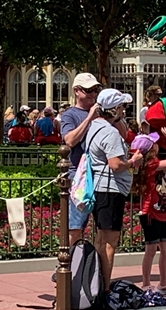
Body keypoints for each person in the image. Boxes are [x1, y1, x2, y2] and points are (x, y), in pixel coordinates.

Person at [88, 88, 143, 297]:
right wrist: (133, 161)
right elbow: (116, 164)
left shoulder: (94, 126)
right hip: (110, 189)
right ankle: (104, 289)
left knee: (101, 238)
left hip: (100, 188)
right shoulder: (110, 132)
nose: (123, 110)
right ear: (115, 109)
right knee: (110, 242)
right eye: (121, 107)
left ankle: (96, 285)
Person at [61, 73, 125, 245]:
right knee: (76, 227)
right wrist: (89, 117)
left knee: (103, 230)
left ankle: (94, 262)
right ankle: (70, 260)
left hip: (102, 177)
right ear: (77, 91)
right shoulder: (70, 115)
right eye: (88, 90)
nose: (93, 94)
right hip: (80, 176)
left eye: (96, 90)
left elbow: (123, 135)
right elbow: (69, 141)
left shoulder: (103, 113)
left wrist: (114, 115)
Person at [131, 129, 166, 294]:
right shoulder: (151, 164)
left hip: (160, 212)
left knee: (165, 248)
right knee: (151, 250)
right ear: (150, 149)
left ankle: (163, 282)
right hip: (150, 213)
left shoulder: (154, 163)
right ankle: (146, 284)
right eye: (154, 143)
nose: (158, 145)